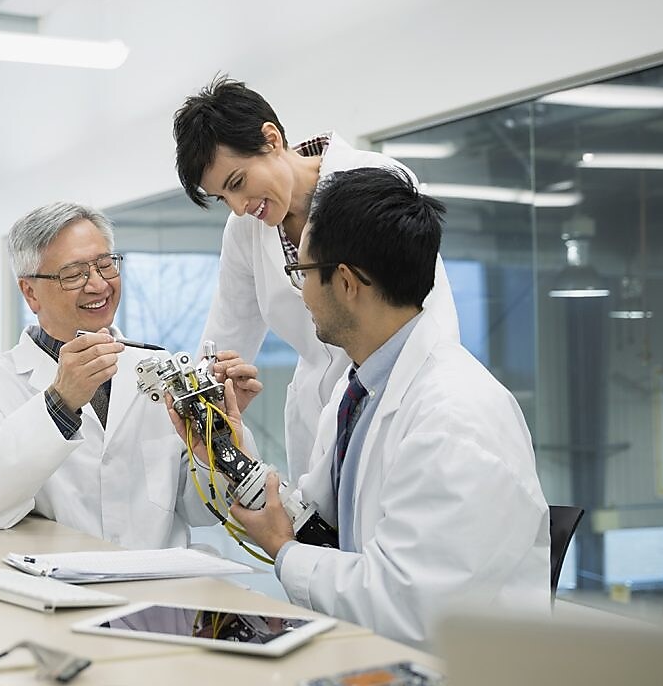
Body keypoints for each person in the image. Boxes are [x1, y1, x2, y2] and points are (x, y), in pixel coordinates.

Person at [175, 167, 550, 647]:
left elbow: (413, 606)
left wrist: (283, 551)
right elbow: (317, 522)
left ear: (347, 282)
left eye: (301, 274)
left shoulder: (454, 416)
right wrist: (225, 447)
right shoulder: (360, 389)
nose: (300, 294)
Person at [173, 76, 461, 479]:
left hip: (400, 400)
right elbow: (224, 336)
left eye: (238, 183)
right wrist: (202, 401)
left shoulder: (372, 178)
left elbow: (430, 312)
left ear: (271, 139)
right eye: (224, 197)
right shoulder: (244, 231)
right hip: (316, 417)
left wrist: (436, 407)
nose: (238, 207)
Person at [0, 202, 255, 549]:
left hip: (160, 589)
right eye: (74, 274)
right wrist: (59, 404)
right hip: (61, 591)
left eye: (106, 265)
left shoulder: (159, 368)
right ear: (30, 292)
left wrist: (219, 434)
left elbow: (202, 511)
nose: (98, 285)